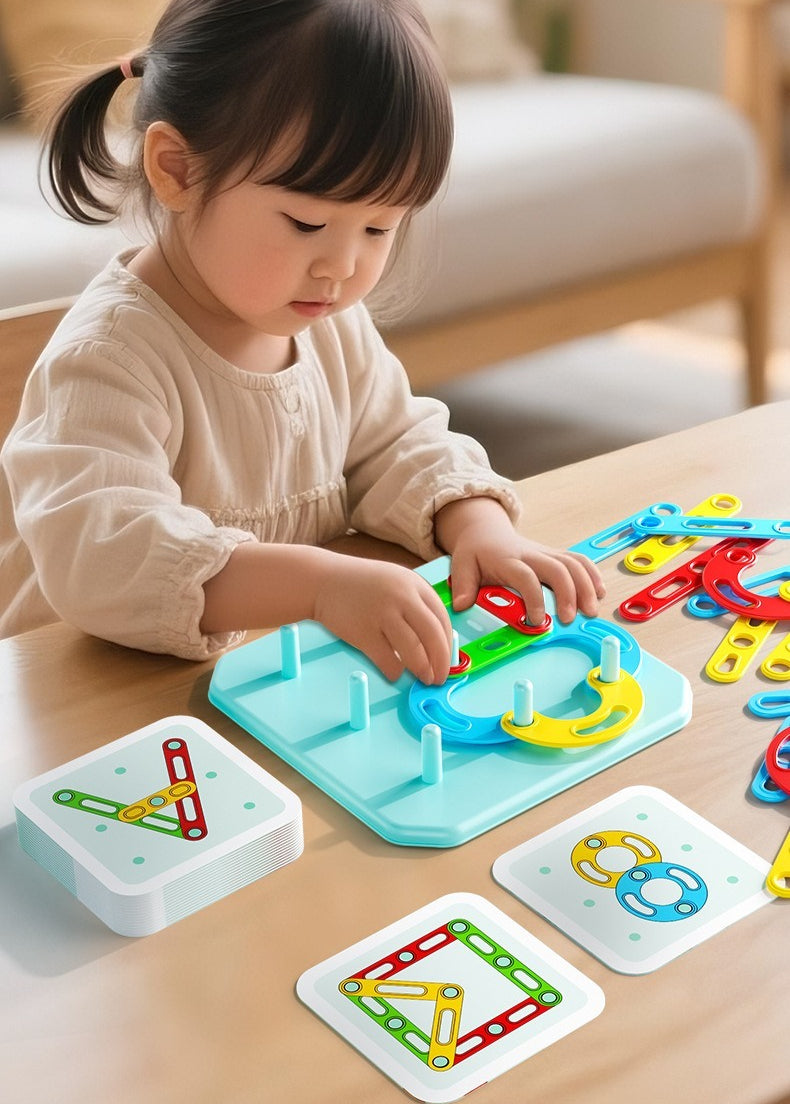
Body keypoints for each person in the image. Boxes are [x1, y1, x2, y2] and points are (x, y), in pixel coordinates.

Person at [0, 0, 604, 683]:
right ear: (178, 170)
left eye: (378, 228)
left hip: (263, 680)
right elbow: (104, 557)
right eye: (307, 223)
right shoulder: (107, 360)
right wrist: (319, 586)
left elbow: (396, 443)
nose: (342, 268)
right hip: (91, 712)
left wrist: (479, 529)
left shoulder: (326, 323)